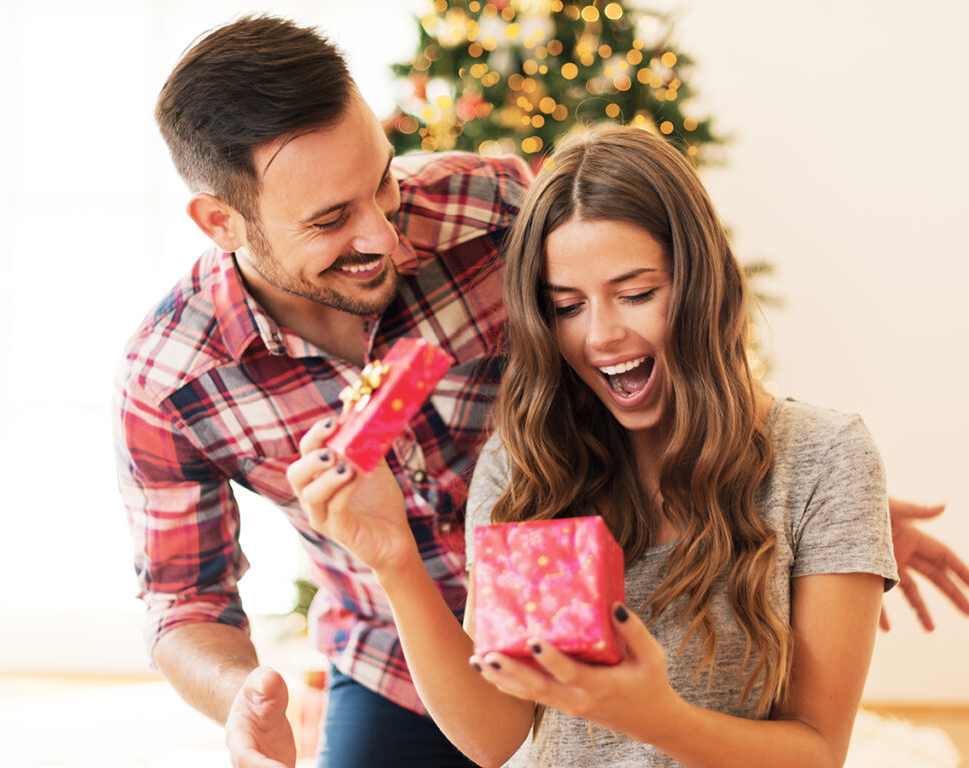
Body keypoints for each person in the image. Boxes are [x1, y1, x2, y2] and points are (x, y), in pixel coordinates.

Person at [113, 14, 969, 768]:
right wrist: (244, 695)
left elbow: (654, 304)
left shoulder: (493, 205)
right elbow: (184, 600)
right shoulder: (171, 379)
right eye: (332, 221)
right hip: (400, 655)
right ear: (221, 223)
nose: (385, 233)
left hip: (617, 592)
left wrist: (805, 496)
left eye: (382, 181)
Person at [287, 124, 898, 767]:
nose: (601, 335)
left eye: (635, 295)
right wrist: (395, 562)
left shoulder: (826, 458)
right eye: (567, 306)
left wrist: (654, 718)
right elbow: (494, 738)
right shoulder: (524, 465)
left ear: (702, 283)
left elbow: (818, 750)